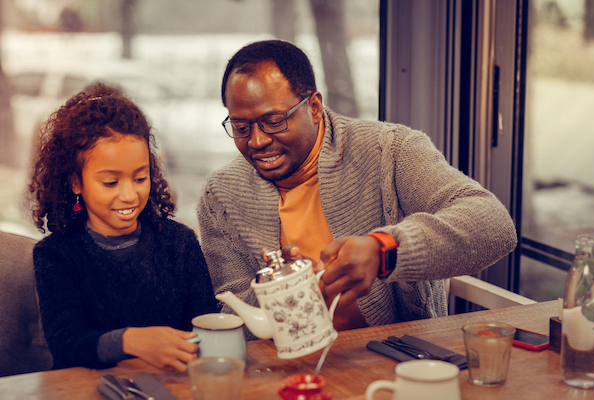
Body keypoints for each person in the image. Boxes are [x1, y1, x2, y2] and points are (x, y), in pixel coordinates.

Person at [198, 40, 517, 339]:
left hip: (401, 358)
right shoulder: (221, 195)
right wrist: (286, 289)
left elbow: (493, 225)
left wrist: (384, 251)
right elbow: (234, 315)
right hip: (290, 368)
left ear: (313, 106)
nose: (257, 141)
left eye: (274, 121)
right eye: (240, 127)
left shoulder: (390, 151)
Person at [27, 82, 218, 372]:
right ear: (76, 182)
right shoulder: (56, 255)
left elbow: (206, 327)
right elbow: (67, 345)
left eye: (140, 178)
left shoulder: (179, 243)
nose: (129, 195)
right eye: (111, 182)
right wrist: (130, 341)